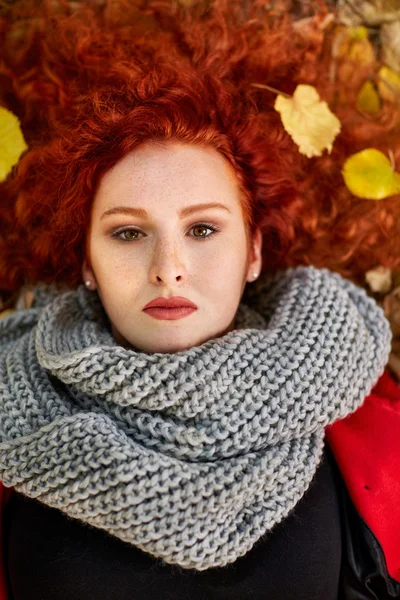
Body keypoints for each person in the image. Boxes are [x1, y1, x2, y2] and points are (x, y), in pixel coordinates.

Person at [0, 0, 399, 599]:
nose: (169, 270)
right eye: (129, 233)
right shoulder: (12, 402)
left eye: (204, 230)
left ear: (254, 252)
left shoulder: (351, 396)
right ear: (86, 262)